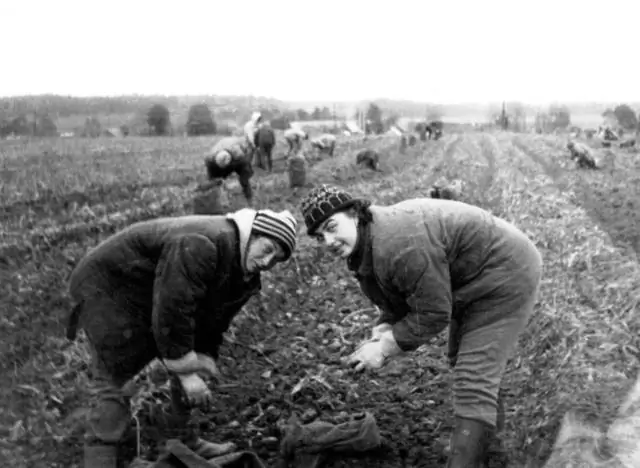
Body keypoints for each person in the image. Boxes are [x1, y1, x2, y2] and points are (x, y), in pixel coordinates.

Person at [299, 184, 543, 468]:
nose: (327, 241)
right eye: (319, 237)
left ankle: (468, 460)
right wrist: (384, 327)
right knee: (464, 363)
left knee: (474, 376)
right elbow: (399, 292)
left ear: (354, 212)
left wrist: (385, 349)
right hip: (468, 279)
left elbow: (433, 313)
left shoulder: (397, 243)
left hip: (504, 274)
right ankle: (488, 445)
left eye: (331, 226)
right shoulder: (367, 240)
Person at [66, 208, 298, 468]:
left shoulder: (243, 273)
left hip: (151, 291)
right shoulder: (203, 243)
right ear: (252, 235)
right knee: (113, 377)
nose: (267, 262)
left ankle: (184, 440)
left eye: (276, 259)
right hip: (109, 288)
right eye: (266, 249)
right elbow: (173, 309)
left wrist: (204, 356)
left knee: (185, 353)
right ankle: (100, 460)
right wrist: (187, 372)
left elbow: (213, 320)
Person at [204, 136, 255, 206]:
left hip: (236, 158)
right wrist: (214, 181)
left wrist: (247, 173)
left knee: (244, 180)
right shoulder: (209, 159)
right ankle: (215, 202)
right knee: (215, 182)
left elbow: (245, 163)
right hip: (219, 159)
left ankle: (250, 200)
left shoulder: (238, 154)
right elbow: (211, 175)